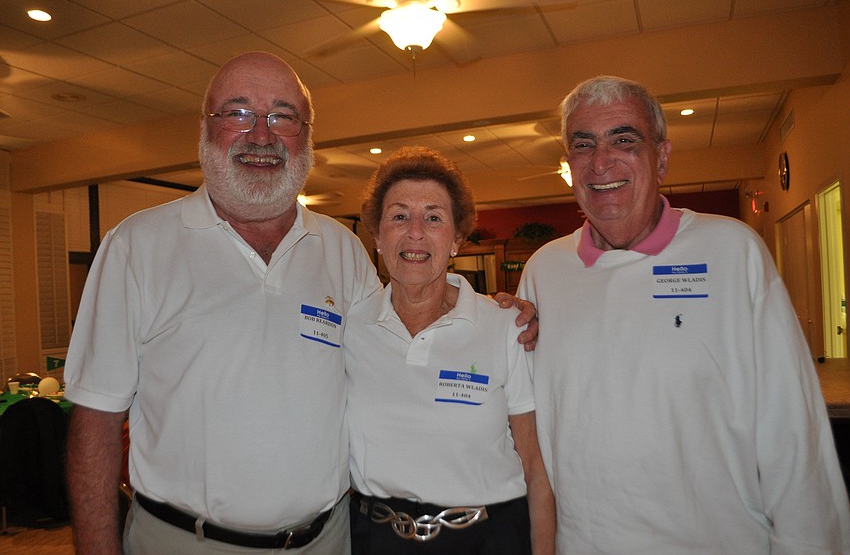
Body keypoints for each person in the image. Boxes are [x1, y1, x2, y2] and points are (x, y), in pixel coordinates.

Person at [63, 52, 537, 554]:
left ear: (307, 136)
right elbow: (94, 424)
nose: (262, 135)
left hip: (327, 541)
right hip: (185, 541)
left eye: (283, 116)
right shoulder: (137, 246)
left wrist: (496, 310)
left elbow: (406, 329)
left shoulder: (341, 250)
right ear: (206, 127)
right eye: (238, 112)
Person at [518, 75, 850, 554]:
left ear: (663, 157)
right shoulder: (544, 270)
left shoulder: (731, 251)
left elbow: (793, 434)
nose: (600, 161)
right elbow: (527, 422)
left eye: (624, 140)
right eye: (582, 144)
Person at [345, 146, 556, 554]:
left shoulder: (503, 326)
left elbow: (534, 467)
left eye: (434, 218)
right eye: (399, 215)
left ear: (458, 238)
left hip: (488, 539)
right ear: (376, 234)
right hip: (375, 539)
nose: (415, 232)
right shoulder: (352, 328)